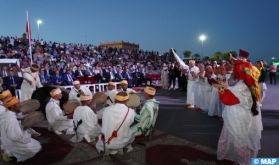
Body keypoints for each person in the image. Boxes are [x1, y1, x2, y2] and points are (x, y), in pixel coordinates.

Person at [216, 62, 262, 165]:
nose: (232, 71)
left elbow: (228, 99)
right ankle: (242, 159)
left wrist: (220, 87)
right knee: (244, 137)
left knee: (239, 139)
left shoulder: (241, 85)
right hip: (247, 117)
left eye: (234, 70)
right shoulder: (250, 83)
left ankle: (243, 161)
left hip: (237, 117)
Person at [0, 97, 41, 162]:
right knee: (37, 146)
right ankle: (11, 154)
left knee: (32, 139)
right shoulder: (11, 119)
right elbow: (16, 137)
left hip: (5, 139)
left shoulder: (6, 113)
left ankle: (6, 149)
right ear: (13, 107)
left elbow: (17, 120)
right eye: (18, 104)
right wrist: (29, 134)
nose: (21, 105)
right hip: (12, 143)